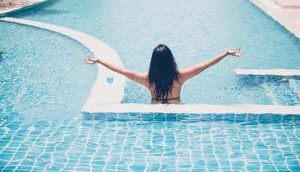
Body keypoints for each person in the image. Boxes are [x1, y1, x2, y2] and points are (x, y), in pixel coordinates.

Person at [84, 44, 242, 104]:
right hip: (177, 111)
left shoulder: (148, 79)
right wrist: (225, 54)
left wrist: (100, 61)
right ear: (170, 60)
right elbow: (204, 65)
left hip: (153, 113)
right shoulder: (180, 76)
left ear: (153, 61)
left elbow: (122, 71)